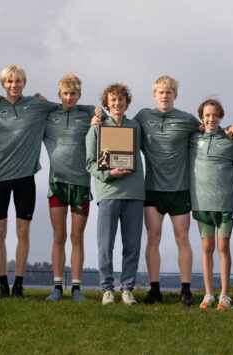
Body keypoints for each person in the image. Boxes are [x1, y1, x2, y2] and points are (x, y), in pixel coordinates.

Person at [0, 65, 60, 298]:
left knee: (23, 231)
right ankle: (2, 285)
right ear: (3, 84)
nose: (13, 85)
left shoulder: (36, 105)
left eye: (17, 81)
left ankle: (18, 284)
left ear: (24, 83)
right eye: (9, 82)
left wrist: (98, 111)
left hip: (25, 178)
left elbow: (68, 107)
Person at [133, 76, 200, 306]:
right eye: (161, 92)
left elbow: (208, 130)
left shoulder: (187, 120)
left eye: (169, 92)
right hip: (152, 189)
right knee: (153, 238)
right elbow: (122, 131)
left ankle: (186, 291)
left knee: (183, 237)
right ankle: (154, 291)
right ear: (154, 94)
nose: (165, 95)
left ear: (175, 95)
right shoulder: (143, 117)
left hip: (180, 189)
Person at [85, 83, 145, 305]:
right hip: (108, 193)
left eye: (121, 99)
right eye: (113, 100)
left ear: (126, 102)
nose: (117, 103)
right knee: (105, 245)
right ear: (106, 103)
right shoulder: (96, 129)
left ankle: (127, 289)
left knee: (132, 245)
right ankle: (107, 289)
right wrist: (109, 173)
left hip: (135, 194)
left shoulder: (137, 126)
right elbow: (90, 164)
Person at [42, 74, 96, 301]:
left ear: (79, 95)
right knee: (59, 235)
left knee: (77, 236)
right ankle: (56, 287)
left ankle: (76, 287)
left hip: (81, 184)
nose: (69, 97)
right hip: (57, 183)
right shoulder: (49, 116)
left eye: (73, 94)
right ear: (59, 95)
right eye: (65, 94)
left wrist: (96, 113)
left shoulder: (87, 115)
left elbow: (98, 109)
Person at [189, 99, 233, 310]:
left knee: (223, 247)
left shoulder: (230, 139)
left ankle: (225, 295)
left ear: (221, 116)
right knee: (206, 247)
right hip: (201, 202)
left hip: (225, 202)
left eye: (215, 115)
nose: (211, 119)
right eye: (207, 115)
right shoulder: (194, 139)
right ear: (202, 117)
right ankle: (208, 293)